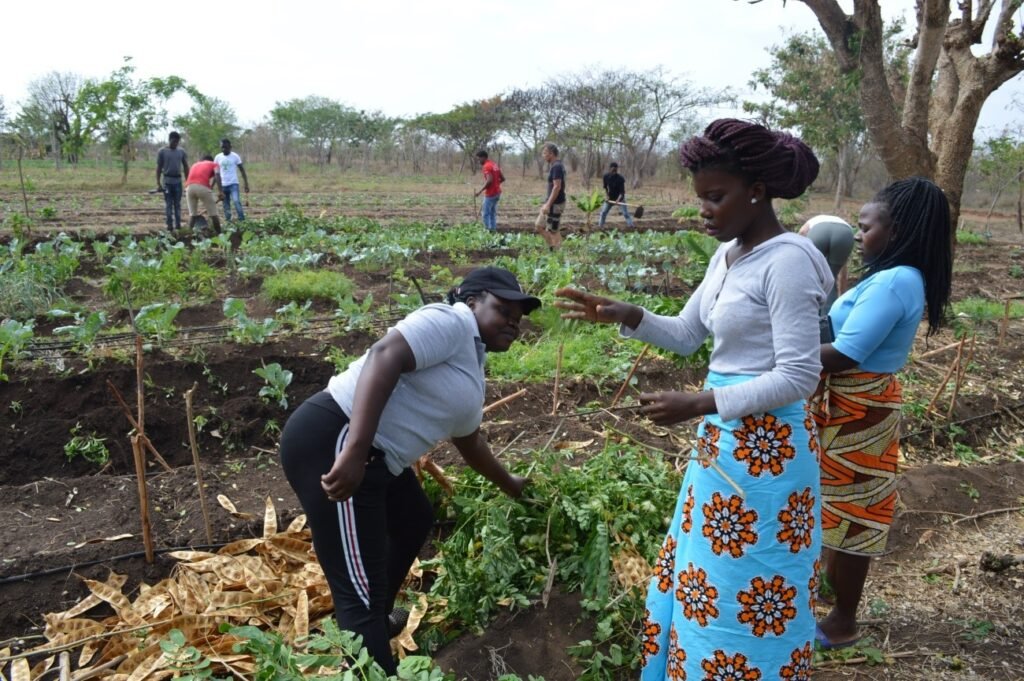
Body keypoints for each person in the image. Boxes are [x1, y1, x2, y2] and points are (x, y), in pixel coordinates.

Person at [556, 119, 831, 679]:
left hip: (768, 453)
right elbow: (686, 333)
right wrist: (626, 314)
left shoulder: (788, 261)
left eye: (715, 197)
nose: (704, 210)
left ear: (756, 190)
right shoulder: (728, 256)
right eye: (700, 197)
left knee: (754, 581)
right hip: (724, 446)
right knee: (710, 573)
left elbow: (801, 375)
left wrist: (702, 403)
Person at [279, 266, 538, 674]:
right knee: (358, 593)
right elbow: (386, 355)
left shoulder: (472, 358)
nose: (512, 323)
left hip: (373, 456)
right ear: (472, 302)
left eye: (518, 320)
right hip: (335, 438)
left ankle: (375, 622)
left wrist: (512, 485)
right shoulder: (452, 320)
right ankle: (369, 651)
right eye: (504, 309)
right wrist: (354, 449)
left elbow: (469, 442)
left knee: (414, 518)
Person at [812, 177, 952, 649]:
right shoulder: (891, 277)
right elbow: (835, 325)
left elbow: (846, 352)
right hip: (854, 404)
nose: (858, 235)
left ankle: (843, 622)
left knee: (854, 515)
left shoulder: (895, 281)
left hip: (858, 407)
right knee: (839, 511)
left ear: (896, 231)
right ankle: (832, 609)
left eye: (865, 227)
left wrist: (780, 364)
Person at [799, 214, 855, 339]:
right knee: (830, 280)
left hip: (818, 233)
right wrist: (842, 293)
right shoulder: (842, 223)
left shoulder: (813, 221)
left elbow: (802, 233)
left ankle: (808, 321)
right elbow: (843, 271)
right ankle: (830, 327)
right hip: (845, 235)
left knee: (813, 278)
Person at [156, 132, 189, 231]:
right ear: (169, 140)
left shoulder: (181, 151)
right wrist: (158, 183)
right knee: (169, 204)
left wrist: (188, 181)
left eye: (177, 142)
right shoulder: (162, 151)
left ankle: (178, 225)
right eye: (174, 142)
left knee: (177, 204)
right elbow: (158, 168)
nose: (175, 144)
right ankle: (169, 225)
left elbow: (186, 166)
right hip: (167, 181)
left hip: (178, 181)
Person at [537, 142, 566, 250]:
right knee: (539, 226)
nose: (543, 155)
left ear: (551, 153)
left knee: (553, 230)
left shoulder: (557, 167)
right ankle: (553, 247)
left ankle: (557, 251)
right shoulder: (555, 166)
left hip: (555, 204)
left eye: (545, 153)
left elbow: (557, 187)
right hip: (551, 203)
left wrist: (548, 204)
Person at [184, 154, 222, 233]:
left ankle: (188, 235)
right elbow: (217, 175)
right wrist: (221, 192)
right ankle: (220, 235)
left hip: (189, 188)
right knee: (213, 214)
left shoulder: (195, 164)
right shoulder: (214, 164)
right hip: (202, 186)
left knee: (192, 215)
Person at [214, 138, 250, 221]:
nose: (224, 149)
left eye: (225, 147)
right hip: (223, 185)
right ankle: (228, 222)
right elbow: (216, 174)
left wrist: (246, 184)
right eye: (222, 147)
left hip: (233, 184)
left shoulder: (235, 156)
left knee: (236, 201)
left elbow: (242, 170)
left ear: (230, 147)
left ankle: (242, 220)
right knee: (226, 205)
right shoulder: (217, 157)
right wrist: (219, 190)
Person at [598, 162, 636, 229]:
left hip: (620, 198)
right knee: (603, 212)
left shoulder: (620, 178)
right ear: (610, 169)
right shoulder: (606, 177)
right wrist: (607, 196)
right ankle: (600, 226)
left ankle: (631, 226)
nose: (614, 170)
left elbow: (622, 192)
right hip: (610, 198)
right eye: (613, 169)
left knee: (625, 213)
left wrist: (618, 200)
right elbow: (605, 188)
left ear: (617, 169)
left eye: (615, 169)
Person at [474, 150, 504, 233]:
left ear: (483, 157)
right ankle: (493, 230)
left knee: (485, 214)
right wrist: (496, 184)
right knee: (492, 213)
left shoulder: (486, 166)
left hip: (491, 194)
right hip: (497, 193)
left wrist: (479, 191)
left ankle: (487, 231)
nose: (478, 161)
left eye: (479, 159)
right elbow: (502, 178)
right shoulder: (494, 164)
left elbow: (489, 180)